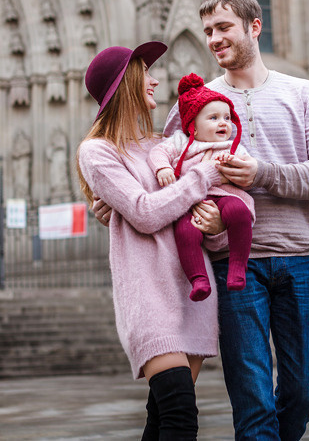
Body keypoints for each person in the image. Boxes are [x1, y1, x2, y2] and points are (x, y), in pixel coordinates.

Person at [95, 0, 309, 440]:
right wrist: (116, 204)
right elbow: (163, 177)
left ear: (254, 26)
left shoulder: (304, 93)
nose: (213, 38)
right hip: (233, 267)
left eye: (223, 27)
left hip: (299, 257)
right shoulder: (191, 103)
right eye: (208, 30)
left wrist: (261, 173)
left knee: (305, 391)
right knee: (252, 402)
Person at [75, 41, 229, 440]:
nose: (156, 80)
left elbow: (192, 209)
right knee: (180, 415)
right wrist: (203, 177)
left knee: (161, 418)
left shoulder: (165, 145)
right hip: (148, 296)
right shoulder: (98, 151)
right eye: (146, 73)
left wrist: (215, 224)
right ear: (125, 83)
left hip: (192, 294)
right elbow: (145, 213)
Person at [148, 73, 255, 302]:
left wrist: (233, 170)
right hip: (192, 202)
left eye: (227, 117)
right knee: (185, 231)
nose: (223, 123)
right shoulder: (181, 142)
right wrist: (162, 168)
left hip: (226, 196)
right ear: (193, 127)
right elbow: (158, 152)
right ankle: (198, 279)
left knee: (239, 212)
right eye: (214, 117)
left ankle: (237, 267)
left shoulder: (232, 147)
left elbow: (247, 170)